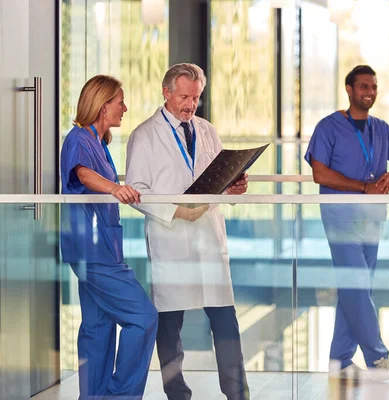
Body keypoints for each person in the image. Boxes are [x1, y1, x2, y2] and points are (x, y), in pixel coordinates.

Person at [125, 63, 249, 400]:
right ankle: (177, 393)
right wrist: (177, 210)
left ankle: (238, 393)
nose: (190, 104)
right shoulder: (144, 135)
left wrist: (233, 189)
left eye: (195, 98)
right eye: (184, 96)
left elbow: (220, 178)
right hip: (171, 239)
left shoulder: (207, 130)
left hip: (208, 237)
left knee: (225, 319)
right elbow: (135, 190)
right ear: (166, 92)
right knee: (169, 325)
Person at [304, 65, 389, 381]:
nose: (370, 92)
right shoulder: (328, 127)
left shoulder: (381, 128)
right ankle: (378, 357)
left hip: (372, 219)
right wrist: (364, 186)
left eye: (374, 87)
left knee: (355, 289)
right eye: (364, 86)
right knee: (357, 286)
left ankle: (340, 359)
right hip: (339, 218)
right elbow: (319, 174)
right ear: (349, 89)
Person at [60, 75, 158, 399]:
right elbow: (83, 174)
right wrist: (116, 188)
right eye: (120, 102)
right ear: (103, 106)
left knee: (98, 329)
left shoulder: (100, 143)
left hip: (101, 250)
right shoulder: (78, 139)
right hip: (93, 252)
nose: (125, 108)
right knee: (143, 318)